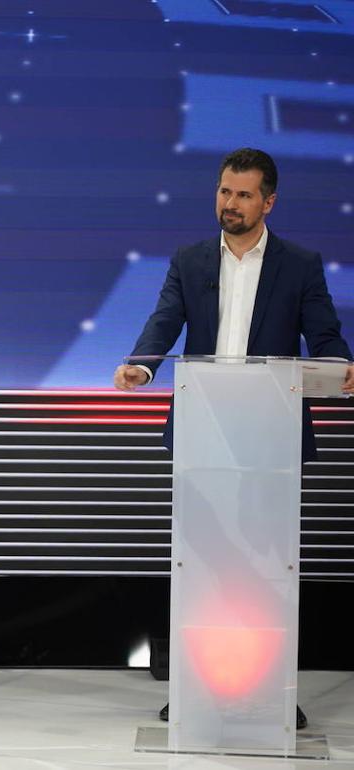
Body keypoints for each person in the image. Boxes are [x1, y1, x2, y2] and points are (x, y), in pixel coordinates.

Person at [113, 147, 354, 730]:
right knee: (204, 565)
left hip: (270, 439)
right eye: (225, 191)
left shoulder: (299, 265)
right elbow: (165, 321)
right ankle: (197, 687)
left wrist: (340, 367)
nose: (231, 203)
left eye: (244, 195)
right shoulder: (190, 260)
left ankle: (271, 688)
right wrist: (141, 365)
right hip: (203, 433)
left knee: (265, 568)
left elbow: (325, 336)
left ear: (268, 202)